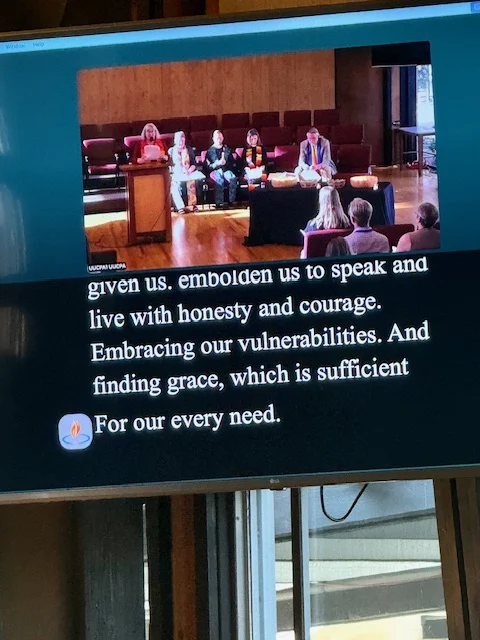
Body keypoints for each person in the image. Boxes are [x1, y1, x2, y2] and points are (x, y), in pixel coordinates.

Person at [168, 131, 205, 214]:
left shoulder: (189, 149)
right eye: (179, 141)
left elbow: (194, 164)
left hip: (188, 172)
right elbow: (169, 165)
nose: (181, 142)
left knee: (192, 183)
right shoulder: (171, 151)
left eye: (182, 140)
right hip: (176, 174)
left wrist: (190, 170)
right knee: (174, 186)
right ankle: (180, 207)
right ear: (175, 141)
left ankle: (193, 206)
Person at [205, 130, 238, 209]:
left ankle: (231, 201)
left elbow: (232, 163)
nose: (219, 139)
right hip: (215, 170)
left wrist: (226, 163)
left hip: (226, 169)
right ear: (213, 139)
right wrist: (217, 164)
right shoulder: (210, 151)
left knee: (232, 178)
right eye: (217, 138)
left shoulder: (227, 149)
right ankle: (219, 203)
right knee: (219, 180)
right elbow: (208, 167)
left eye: (220, 137)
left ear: (223, 138)